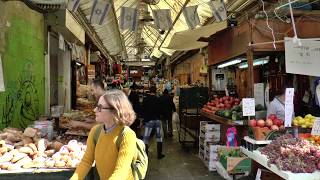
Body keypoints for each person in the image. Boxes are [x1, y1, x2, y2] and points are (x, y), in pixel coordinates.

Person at [70, 90, 137, 180]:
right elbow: (86, 161)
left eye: (100, 107)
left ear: (115, 111)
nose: (95, 110)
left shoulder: (127, 135)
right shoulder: (95, 131)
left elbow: (121, 171)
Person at [142, 86, 165, 159]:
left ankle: (145, 156)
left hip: (149, 121)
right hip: (157, 120)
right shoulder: (158, 99)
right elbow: (161, 110)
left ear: (149, 91)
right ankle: (159, 155)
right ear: (155, 91)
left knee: (146, 139)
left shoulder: (145, 99)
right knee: (159, 137)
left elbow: (143, 109)